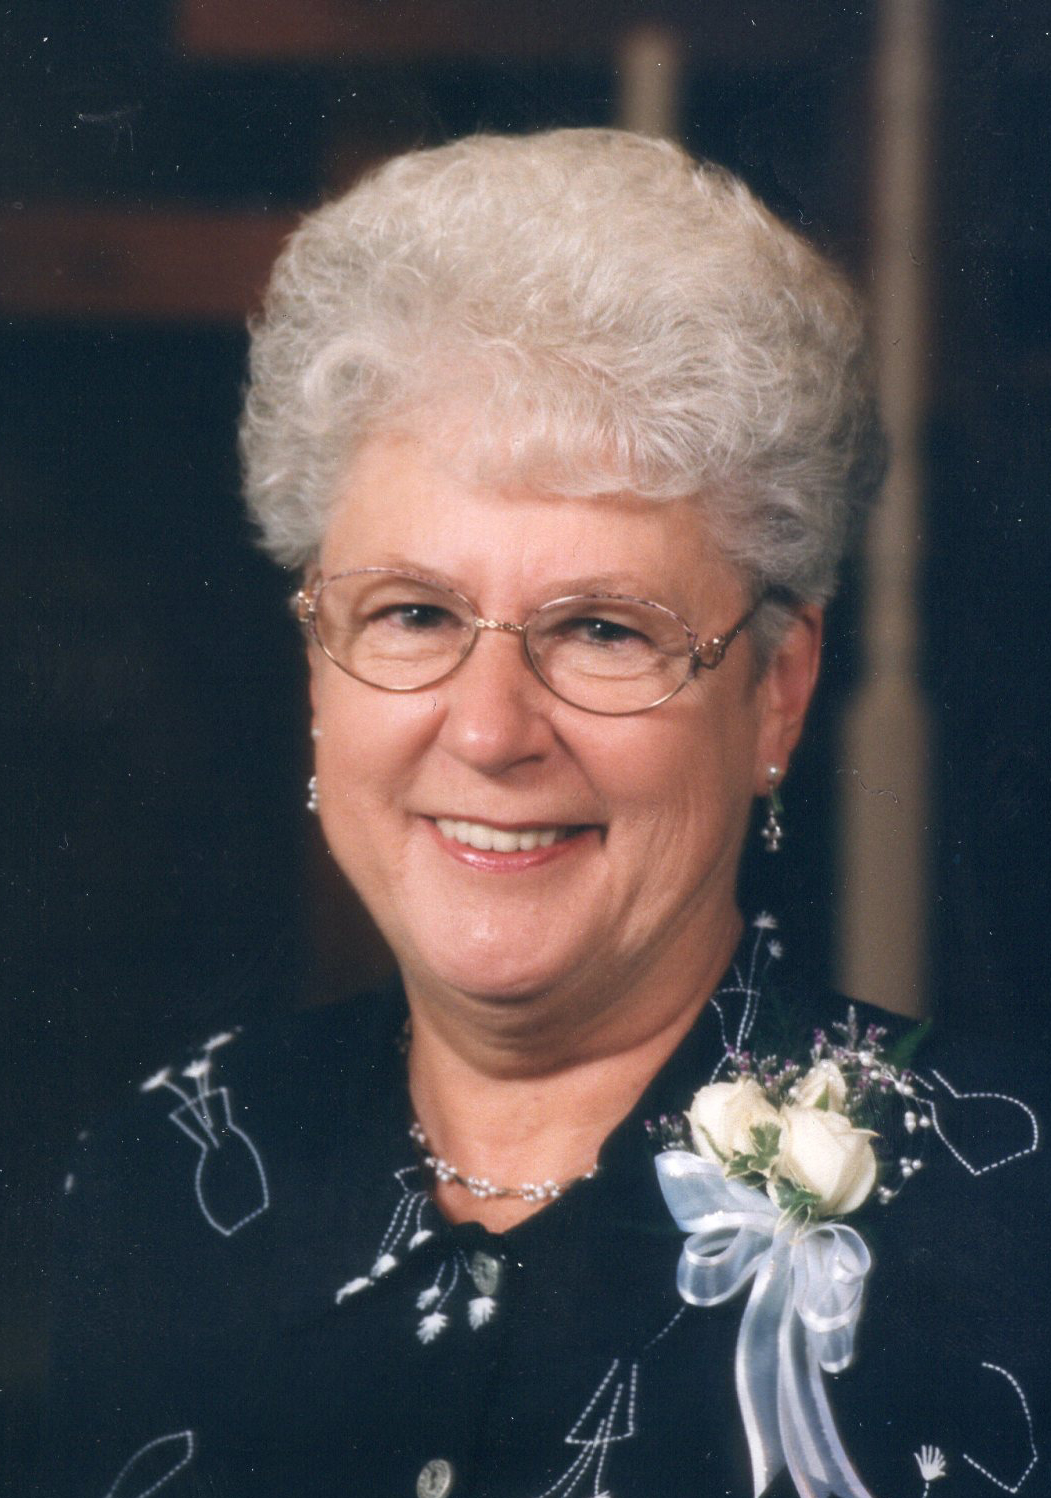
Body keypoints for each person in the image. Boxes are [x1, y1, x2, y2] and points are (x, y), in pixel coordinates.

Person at [43, 130, 1051, 1498]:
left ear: (775, 692)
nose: (490, 729)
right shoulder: (160, 1177)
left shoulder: (1013, 1224)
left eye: (603, 630)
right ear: (318, 666)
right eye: (413, 612)